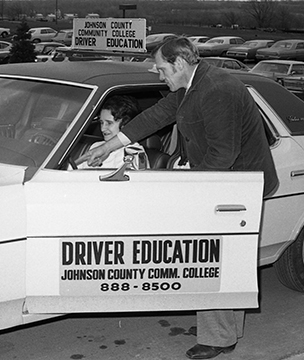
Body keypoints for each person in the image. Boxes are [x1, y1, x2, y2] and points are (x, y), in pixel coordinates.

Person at [77, 36, 278, 359]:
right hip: (229, 182)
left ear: (180, 64)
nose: (159, 75)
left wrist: (187, 189)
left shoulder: (216, 90)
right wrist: (107, 147)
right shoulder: (190, 86)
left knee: (213, 261)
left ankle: (218, 338)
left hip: (236, 186)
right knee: (229, 261)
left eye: (161, 69)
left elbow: (222, 155)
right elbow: (154, 117)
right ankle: (227, 331)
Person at [77, 95, 148, 169]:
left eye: (109, 123)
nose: (102, 129)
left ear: (126, 125)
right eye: (101, 122)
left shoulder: (133, 153)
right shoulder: (97, 146)